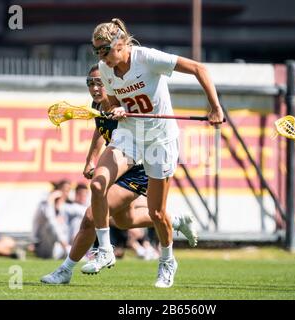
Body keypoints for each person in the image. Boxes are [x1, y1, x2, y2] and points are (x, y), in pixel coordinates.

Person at [88, 18, 223, 288]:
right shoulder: (106, 69)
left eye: (104, 50)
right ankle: (105, 250)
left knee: (157, 213)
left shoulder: (147, 58)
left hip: (160, 139)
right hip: (130, 134)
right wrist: (114, 109)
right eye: (97, 51)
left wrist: (215, 107)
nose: (101, 57)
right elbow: (115, 103)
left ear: (121, 44)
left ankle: (167, 261)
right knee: (97, 184)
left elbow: (198, 68)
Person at [40, 64, 198, 285]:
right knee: (125, 221)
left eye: (99, 83)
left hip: (137, 168)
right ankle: (176, 220)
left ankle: (66, 269)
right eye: (90, 83)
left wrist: (124, 112)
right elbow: (99, 130)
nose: (95, 88)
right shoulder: (98, 104)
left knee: (90, 218)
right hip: (117, 164)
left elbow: (144, 124)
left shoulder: (124, 103)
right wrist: (90, 160)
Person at [32, 180, 75, 259]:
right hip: (45, 246)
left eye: (68, 190)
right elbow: (49, 217)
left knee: (78, 220)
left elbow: (83, 211)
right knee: (51, 224)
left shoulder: (67, 206)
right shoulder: (45, 205)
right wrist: (51, 199)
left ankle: (79, 250)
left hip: (61, 247)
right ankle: (68, 248)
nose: (65, 193)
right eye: (63, 190)